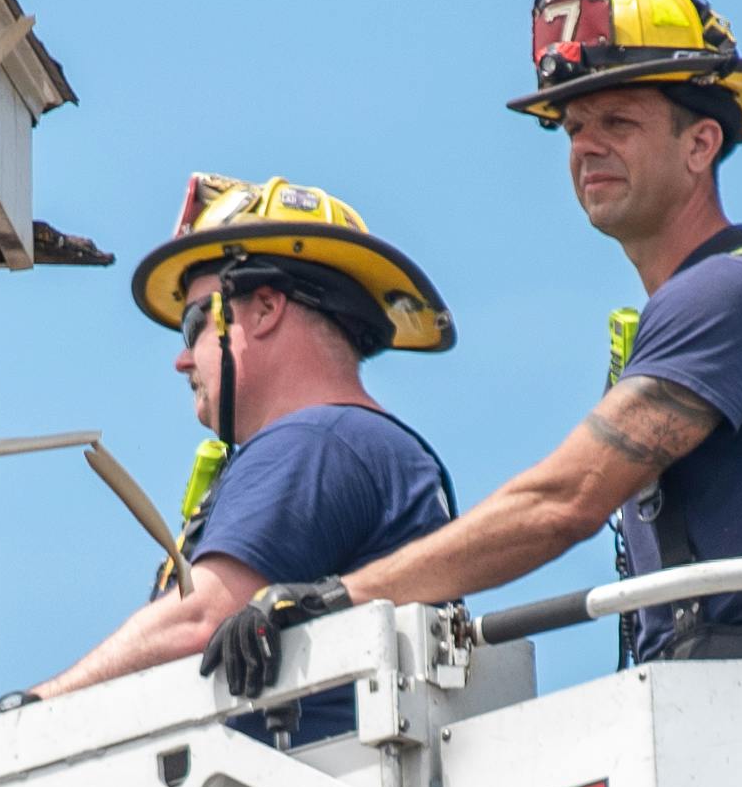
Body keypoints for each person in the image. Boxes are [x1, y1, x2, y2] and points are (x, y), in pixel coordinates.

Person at [213, 0, 742, 693]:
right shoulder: (724, 301)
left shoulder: (732, 292)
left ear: (701, 144)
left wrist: (340, 596)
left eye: (619, 122)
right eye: (573, 127)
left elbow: (565, 500)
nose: (587, 146)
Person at [31, 177, 460, 734]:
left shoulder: (314, 444)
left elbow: (200, 622)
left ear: (263, 308)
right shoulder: (367, 448)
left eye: (194, 325)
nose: (182, 361)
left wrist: (25, 718)